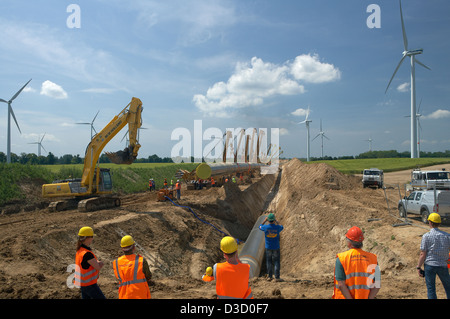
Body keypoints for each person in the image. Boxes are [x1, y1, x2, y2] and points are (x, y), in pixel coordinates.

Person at [332, 226, 380, 299]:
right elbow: (377, 284)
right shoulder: (373, 258)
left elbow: (341, 285)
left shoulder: (341, 258)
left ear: (349, 242)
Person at [416, 213, 450, 299]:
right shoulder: (447, 236)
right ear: (439, 223)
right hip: (443, 265)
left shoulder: (426, 236)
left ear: (430, 223)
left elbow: (422, 254)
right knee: (448, 287)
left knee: (431, 289)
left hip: (430, 266)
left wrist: (418, 267)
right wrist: (448, 260)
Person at [74, 226, 106, 299]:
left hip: (83, 284)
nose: (92, 239)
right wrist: (100, 263)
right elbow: (97, 267)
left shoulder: (80, 251)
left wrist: (96, 262)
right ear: (87, 238)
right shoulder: (87, 254)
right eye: (92, 237)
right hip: (90, 285)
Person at [259, 212, 284, 281]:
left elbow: (259, 226)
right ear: (273, 220)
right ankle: (277, 277)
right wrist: (276, 221)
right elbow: (282, 226)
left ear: (268, 220)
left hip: (268, 247)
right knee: (276, 262)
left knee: (269, 261)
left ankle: (270, 276)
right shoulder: (277, 227)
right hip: (276, 247)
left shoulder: (265, 227)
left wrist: (264, 220)